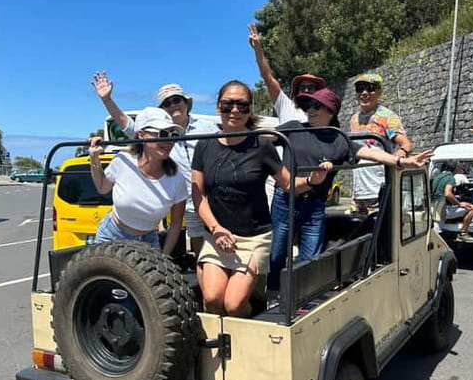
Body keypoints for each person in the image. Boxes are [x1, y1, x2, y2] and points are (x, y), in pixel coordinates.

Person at [268, 87, 433, 292]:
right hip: (286, 199)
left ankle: (301, 299)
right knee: (277, 252)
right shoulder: (293, 128)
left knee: (310, 258)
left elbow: (371, 154)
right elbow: (264, 139)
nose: (310, 109)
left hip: (314, 204)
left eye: (316, 106)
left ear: (330, 111)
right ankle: (274, 295)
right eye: (308, 105)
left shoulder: (339, 140)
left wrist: (402, 160)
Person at [191, 80, 330, 317]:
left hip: (254, 237)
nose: (234, 110)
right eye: (228, 105)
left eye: (242, 105)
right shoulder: (204, 145)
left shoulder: (262, 145)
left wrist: (310, 181)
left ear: (249, 110)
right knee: (212, 300)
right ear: (218, 108)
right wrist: (215, 229)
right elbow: (198, 194)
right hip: (217, 235)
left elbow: (287, 183)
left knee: (233, 305)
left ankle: (249, 319)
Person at [92, 72, 219, 256]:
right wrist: (107, 100)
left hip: (208, 198)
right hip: (185, 204)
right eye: (167, 103)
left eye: (177, 100)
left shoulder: (207, 128)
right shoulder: (125, 160)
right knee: (200, 249)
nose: (173, 104)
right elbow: (126, 123)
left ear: (186, 103)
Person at [88, 107, 188, 255]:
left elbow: (175, 225)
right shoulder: (123, 161)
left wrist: (164, 257)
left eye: (173, 135)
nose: (169, 140)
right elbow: (102, 188)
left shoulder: (177, 178)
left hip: (148, 242)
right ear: (141, 135)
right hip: (112, 236)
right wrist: (94, 158)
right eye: (162, 134)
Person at [349, 73, 414, 214]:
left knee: (382, 234)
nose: (364, 93)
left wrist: (398, 158)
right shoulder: (354, 119)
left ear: (379, 92)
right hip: (358, 193)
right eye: (360, 88)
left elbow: (406, 144)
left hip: (380, 190)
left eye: (370, 88)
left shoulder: (387, 116)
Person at [247, 23, 325, 124]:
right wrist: (258, 50)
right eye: (302, 87)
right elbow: (268, 78)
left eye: (310, 87)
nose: (306, 90)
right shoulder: (286, 106)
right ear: (296, 91)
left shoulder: (325, 113)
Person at [432, 160, 473, 243]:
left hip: (434, 208)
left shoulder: (437, 177)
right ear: (456, 168)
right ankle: (463, 233)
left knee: (437, 231)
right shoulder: (450, 178)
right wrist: (458, 203)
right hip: (443, 209)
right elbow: (448, 193)